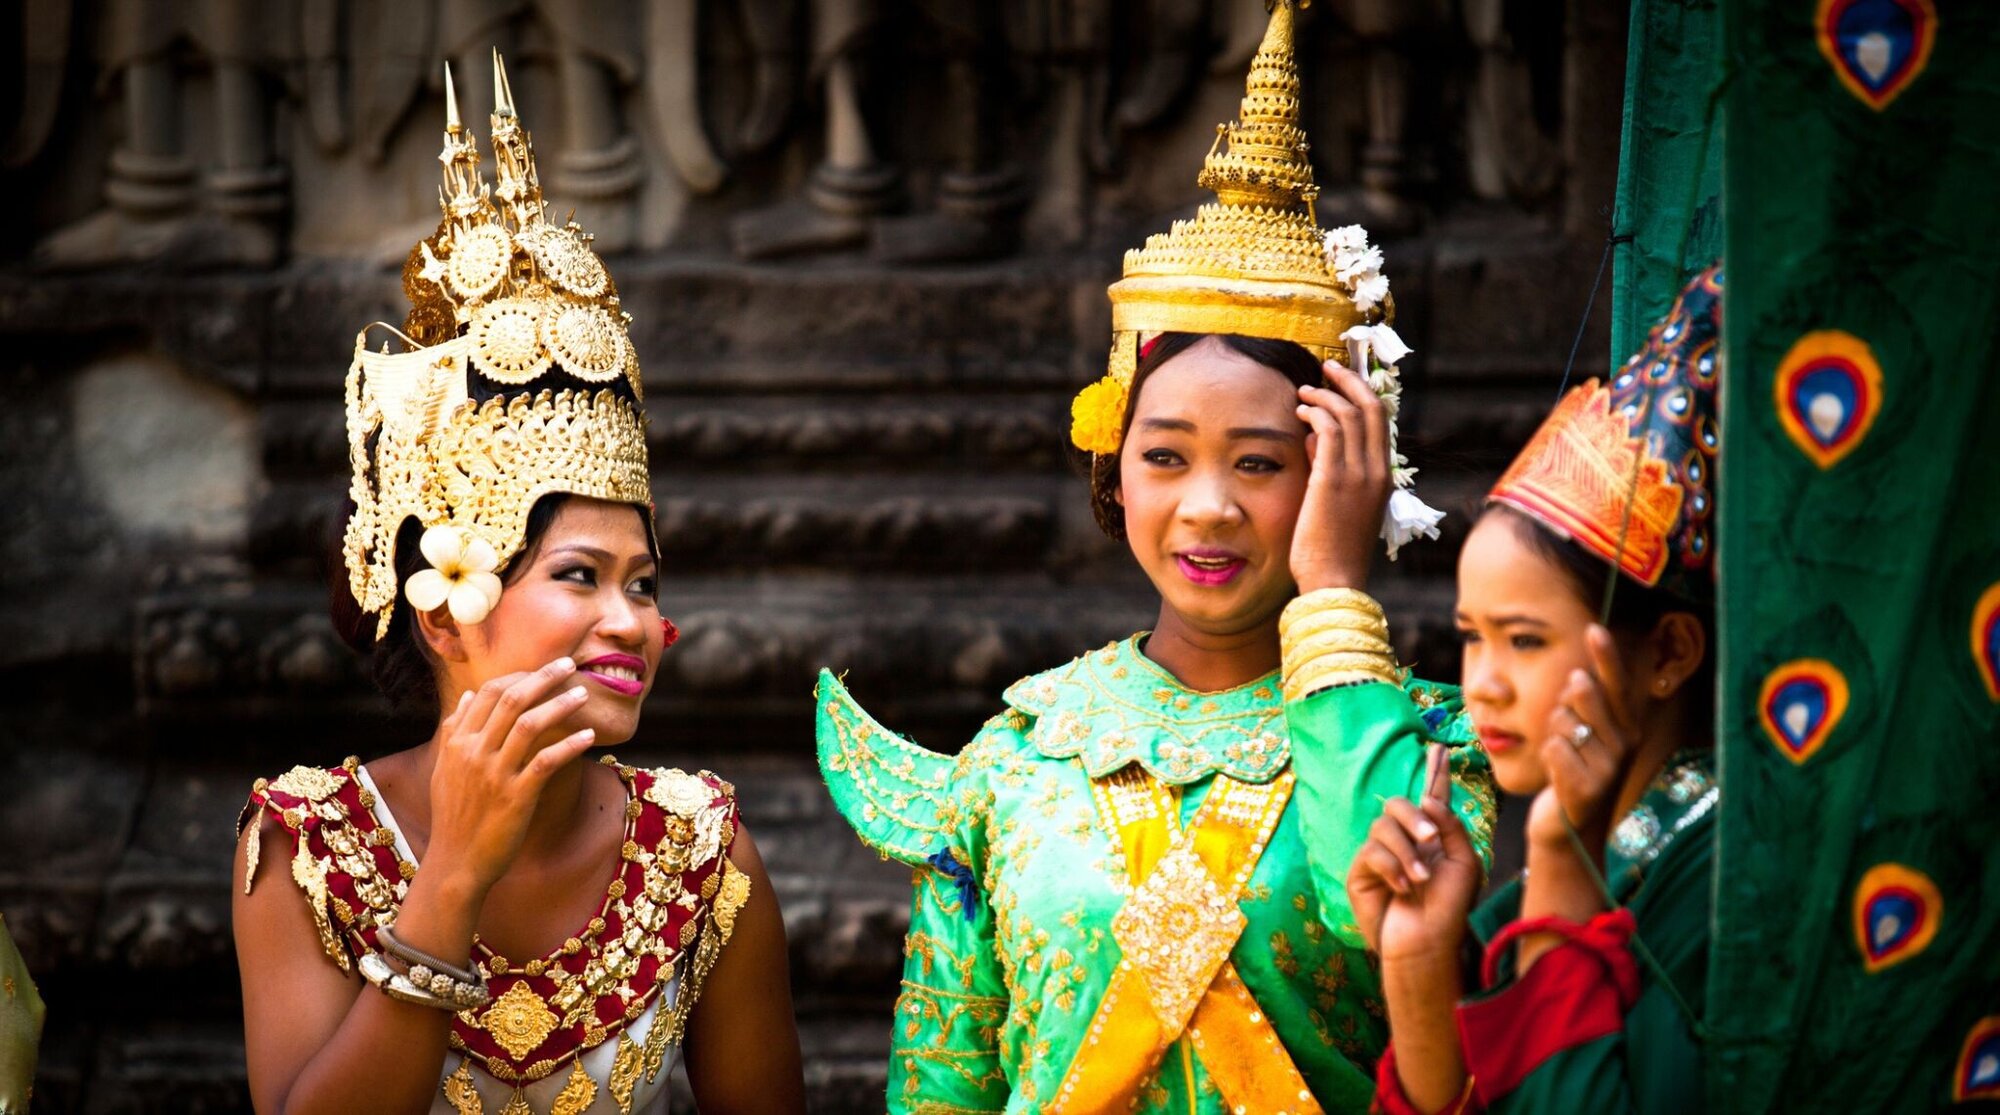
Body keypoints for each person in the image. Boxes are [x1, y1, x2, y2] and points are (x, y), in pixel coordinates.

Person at [813, 4, 1494, 1110]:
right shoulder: (1015, 759)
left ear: (1348, 471)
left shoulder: (1431, 750)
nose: (1207, 508)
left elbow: (1362, 904)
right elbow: (942, 1085)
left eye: (1263, 464)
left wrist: (1332, 593)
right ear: (1112, 468)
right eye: (1166, 455)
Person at [230, 55, 804, 1115]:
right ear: (444, 608)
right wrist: (451, 875)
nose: (630, 620)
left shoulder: (699, 849)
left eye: (643, 582)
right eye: (579, 574)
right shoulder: (307, 841)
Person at [1352, 265, 1724, 1114]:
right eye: (1472, 638)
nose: (1482, 686)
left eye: (1525, 640)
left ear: (1667, 650)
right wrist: (1416, 965)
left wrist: (1559, 863)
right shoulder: (1516, 906)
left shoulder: (1720, 885)